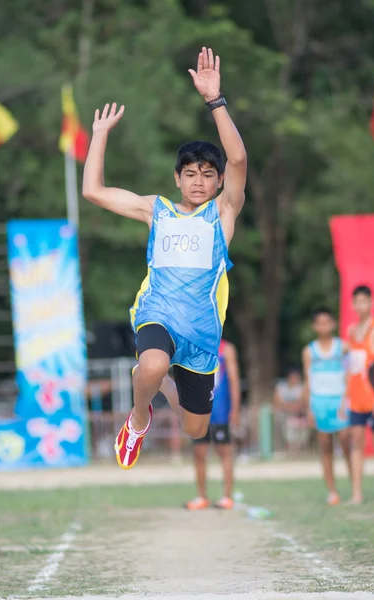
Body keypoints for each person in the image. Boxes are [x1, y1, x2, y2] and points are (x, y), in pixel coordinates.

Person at [82, 47, 247, 469]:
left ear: (219, 181)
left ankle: (162, 387)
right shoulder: (157, 209)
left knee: (196, 429)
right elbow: (94, 192)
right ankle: (138, 420)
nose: (198, 181)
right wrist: (99, 136)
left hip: (201, 333)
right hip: (158, 313)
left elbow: (239, 158)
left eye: (207, 174)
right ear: (177, 177)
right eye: (190, 173)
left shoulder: (222, 214)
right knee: (152, 364)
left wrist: (215, 101)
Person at [302, 307, 350, 505]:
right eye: (319, 323)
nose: (324, 326)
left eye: (327, 322)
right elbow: (308, 380)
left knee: (347, 445)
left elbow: (349, 375)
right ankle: (332, 490)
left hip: (339, 400)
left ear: (333, 324)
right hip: (319, 402)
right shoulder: (309, 351)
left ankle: (354, 485)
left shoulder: (343, 347)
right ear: (315, 326)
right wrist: (309, 408)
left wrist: (346, 400)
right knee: (326, 448)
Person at [185, 339, 241, 510]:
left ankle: (227, 496)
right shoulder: (192, 345)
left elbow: (233, 379)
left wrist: (235, 408)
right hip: (198, 409)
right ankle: (202, 496)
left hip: (220, 409)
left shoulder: (226, 349)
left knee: (224, 451)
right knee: (199, 452)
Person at [339, 285, 374, 504]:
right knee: (356, 444)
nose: (361, 305)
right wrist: (344, 398)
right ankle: (356, 493)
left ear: (372, 303)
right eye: (357, 302)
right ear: (353, 304)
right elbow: (350, 369)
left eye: (365, 301)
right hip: (355, 398)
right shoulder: (352, 331)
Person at [273, 368, 308, 453]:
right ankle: (288, 446)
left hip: (299, 414)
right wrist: (289, 408)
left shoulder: (302, 388)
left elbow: (303, 402)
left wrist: (293, 408)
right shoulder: (281, 387)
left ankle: (300, 446)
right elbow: (277, 403)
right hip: (284, 414)